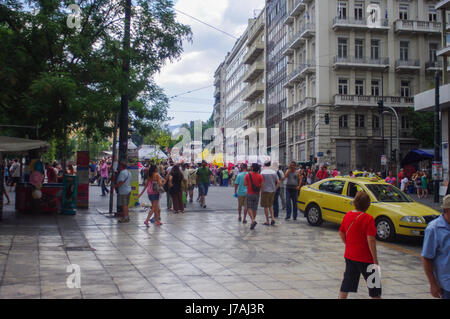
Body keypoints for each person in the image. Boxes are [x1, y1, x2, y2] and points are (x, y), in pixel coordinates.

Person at [338, 192, 381, 299]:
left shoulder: (347, 215)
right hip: (366, 258)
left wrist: (348, 244)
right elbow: (371, 240)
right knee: (374, 289)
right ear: (367, 205)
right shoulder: (368, 219)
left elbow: (341, 233)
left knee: (346, 284)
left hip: (350, 255)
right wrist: (375, 260)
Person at [421, 194, 450, 299]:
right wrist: (433, 284)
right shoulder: (434, 228)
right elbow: (426, 258)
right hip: (447, 285)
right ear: (447, 210)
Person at [244, 163, 263, 230]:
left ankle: (253, 220)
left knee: (249, 207)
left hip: (249, 193)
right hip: (257, 194)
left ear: (252, 168)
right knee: (254, 208)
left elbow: (245, 184)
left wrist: (250, 183)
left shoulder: (248, 175)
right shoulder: (260, 176)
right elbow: (261, 185)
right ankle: (253, 221)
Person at [260, 161, 280, 226]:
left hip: (265, 191)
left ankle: (267, 221)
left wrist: (261, 190)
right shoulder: (274, 172)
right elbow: (278, 182)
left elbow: (261, 183)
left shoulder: (262, 172)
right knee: (270, 205)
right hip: (272, 191)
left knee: (265, 206)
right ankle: (273, 218)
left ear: (265, 165)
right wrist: (275, 189)